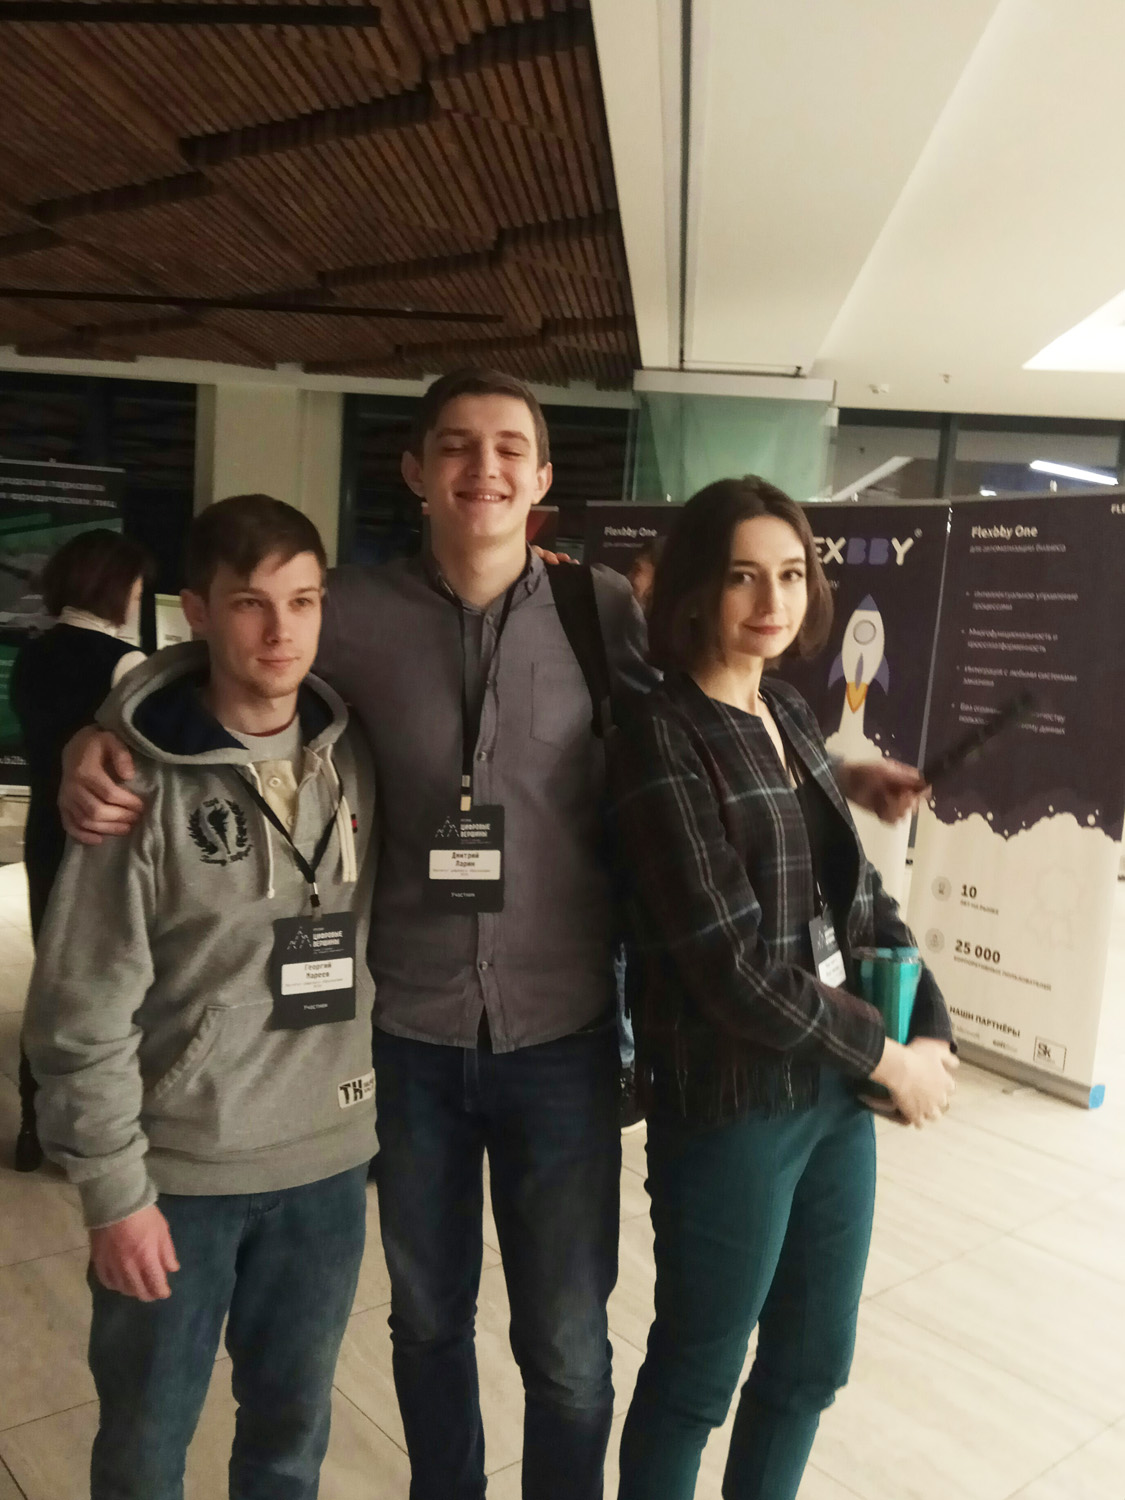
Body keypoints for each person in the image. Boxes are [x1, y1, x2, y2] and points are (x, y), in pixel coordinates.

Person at [23, 494, 378, 1500]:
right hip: (179, 1176)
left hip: (327, 1167)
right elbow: (80, 1005)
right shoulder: (134, 782)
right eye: (251, 603)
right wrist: (113, 1191)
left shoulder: (356, 752)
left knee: (289, 1443)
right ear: (198, 611)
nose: (280, 631)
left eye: (302, 602)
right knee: (146, 1447)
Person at [611, 476, 958, 1500]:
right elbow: (727, 965)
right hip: (732, 1105)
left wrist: (929, 1028)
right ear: (694, 591)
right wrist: (885, 1054)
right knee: (695, 1380)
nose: (772, 600)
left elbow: (857, 903)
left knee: (810, 1365)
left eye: (792, 575)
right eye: (742, 577)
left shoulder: (791, 711)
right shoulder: (658, 733)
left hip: (832, 1095)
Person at [9, 528, 152, 1172]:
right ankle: (91, 1135)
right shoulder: (125, 663)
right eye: (137, 586)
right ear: (116, 586)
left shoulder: (31, 656)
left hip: (46, 826)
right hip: (106, 837)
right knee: (104, 987)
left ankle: (33, 1126)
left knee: (53, 974)